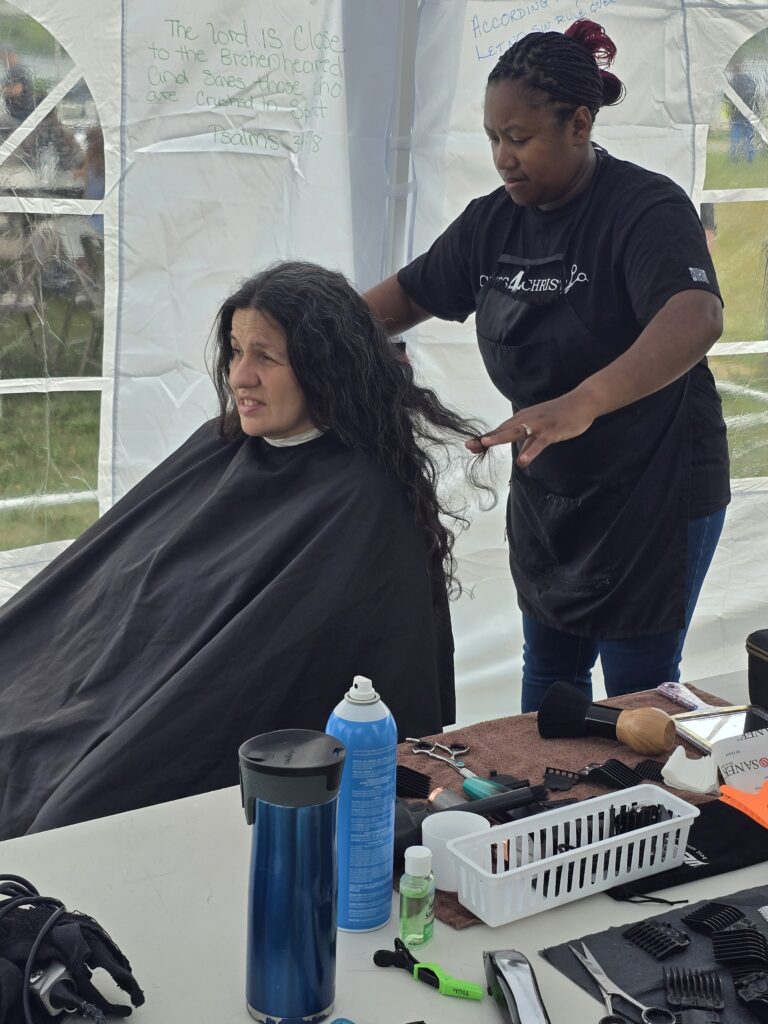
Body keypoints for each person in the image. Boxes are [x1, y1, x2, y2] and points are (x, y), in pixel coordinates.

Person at [0, 260, 487, 840]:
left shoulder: (362, 501)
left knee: (69, 815)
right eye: (234, 351)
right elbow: (107, 584)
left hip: (199, 717)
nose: (239, 377)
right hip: (106, 684)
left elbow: (259, 665)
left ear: (324, 368)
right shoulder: (219, 445)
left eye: (266, 357)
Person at [363, 20, 730, 712]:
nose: (504, 157)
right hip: (553, 496)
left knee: (637, 699)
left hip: (655, 488)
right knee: (551, 690)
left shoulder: (643, 208)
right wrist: (306, 330)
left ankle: (638, 818)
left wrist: (584, 400)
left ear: (580, 125)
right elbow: (407, 295)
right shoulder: (490, 225)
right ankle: (549, 819)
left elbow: (697, 315)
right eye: (494, 138)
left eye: (520, 138)